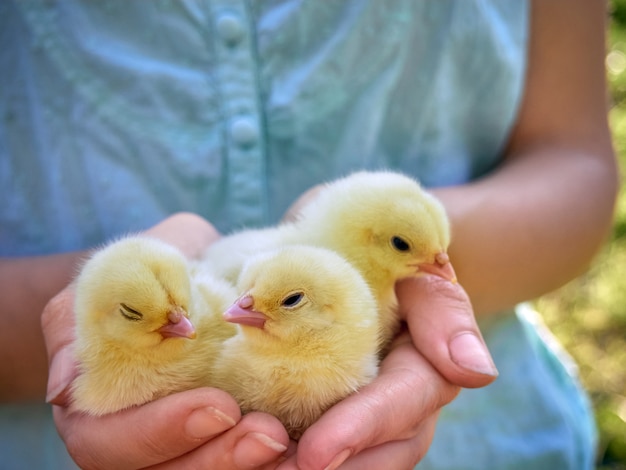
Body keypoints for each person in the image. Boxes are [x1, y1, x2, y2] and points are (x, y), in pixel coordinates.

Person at [0, 0, 618, 469]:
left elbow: (576, 160)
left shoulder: (327, 290)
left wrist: (424, 298)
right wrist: (92, 316)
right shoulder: (245, 306)